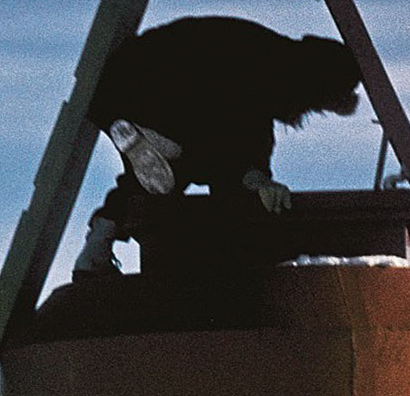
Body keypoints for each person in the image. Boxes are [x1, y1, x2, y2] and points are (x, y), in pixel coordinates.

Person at [73, 15, 363, 279]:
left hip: (115, 90)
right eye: (320, 105)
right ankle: (166, 144)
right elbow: (243, 130)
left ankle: (96, 248)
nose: (313, 112)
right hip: (162, 94)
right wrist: (256, 178)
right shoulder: (268, 73)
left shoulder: (262, 48)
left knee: (161, 180)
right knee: (207, 170)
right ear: (316, 86)